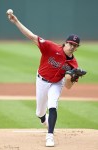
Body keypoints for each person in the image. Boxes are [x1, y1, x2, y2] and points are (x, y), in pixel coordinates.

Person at [6, 12, 84, 147]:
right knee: (40, 113)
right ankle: (44, 120)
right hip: (41, 81)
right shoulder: (50, 47)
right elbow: (31, 36)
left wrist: (71, 76)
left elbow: (68, 86)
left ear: (77, 48)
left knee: (53, 104)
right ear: (65, 43)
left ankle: (50, 136)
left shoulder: (73, 65)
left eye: (75, 45)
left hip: (57, 83)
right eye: (70, 43)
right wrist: (16, 21)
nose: (72, 46)